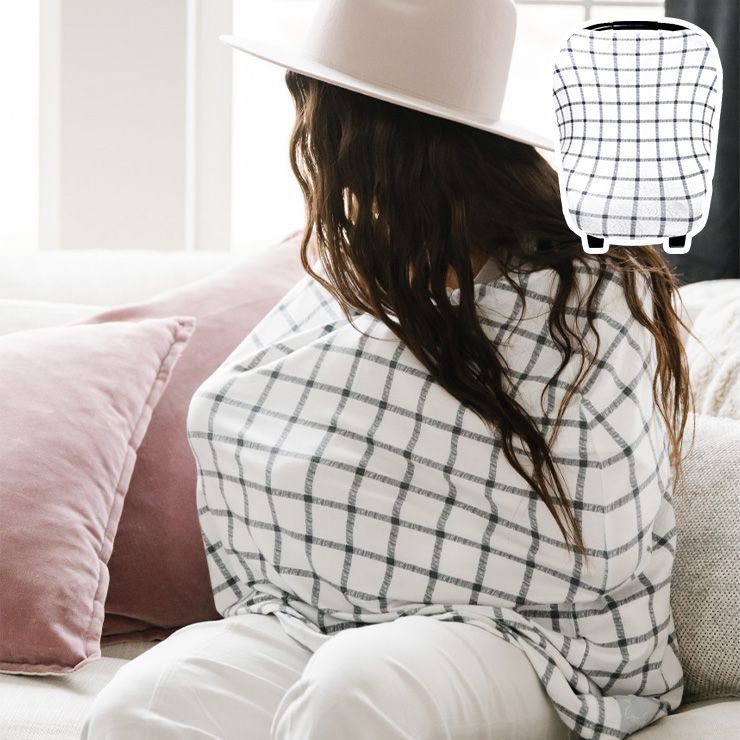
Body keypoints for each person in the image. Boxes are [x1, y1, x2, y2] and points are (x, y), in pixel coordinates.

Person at [81, 2, 692, 738]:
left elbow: (599, 532)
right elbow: (240, 420)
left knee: (358, 687)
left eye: (319, 117)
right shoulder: (351, 276)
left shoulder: (590, 295)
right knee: (145, 701)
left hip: (531, 642)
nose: (308, 143)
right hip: (315, 617)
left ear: (379, 144)